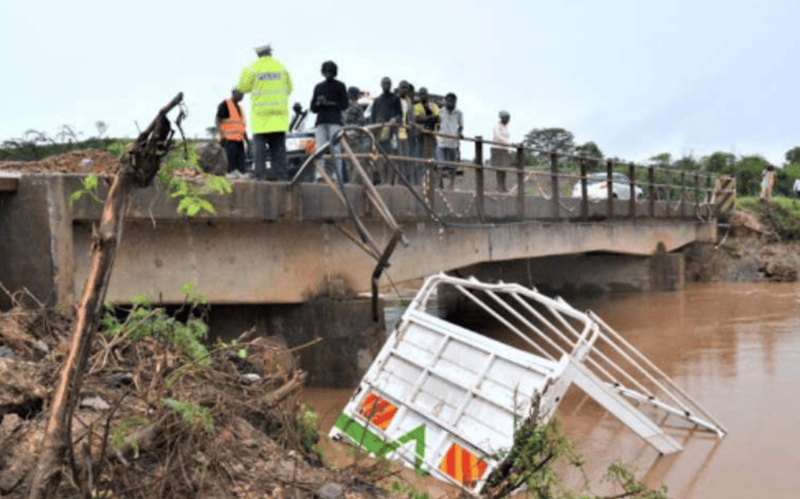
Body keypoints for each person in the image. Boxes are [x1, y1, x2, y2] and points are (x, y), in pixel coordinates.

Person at [236, 43, 293, 181]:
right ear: (270, 52)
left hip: (261, 118)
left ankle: (260, 178)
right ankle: (282, 179)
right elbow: (289, 89)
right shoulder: (281, 67)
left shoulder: (251, 68)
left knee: (259, 153)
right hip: (279, 117)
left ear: (258, 54)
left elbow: (242, 88)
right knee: (279, 152)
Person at [310, 60, 349, 183]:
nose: (328, 74)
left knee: (336, 150)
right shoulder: (318, 87)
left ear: (334, 72)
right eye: (326, 71)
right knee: (320, 149)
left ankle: (337, 177)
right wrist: (319, 103)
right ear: (323, 72)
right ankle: (320, 175)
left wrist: (330, 103)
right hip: (321, 122)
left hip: (335, 121)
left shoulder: (340, 86)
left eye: (330, 71)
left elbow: (344, 105)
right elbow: (312, 108)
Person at [370, 77, 402, 183]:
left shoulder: (395, 98)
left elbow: (400, 115)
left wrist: (395, 119)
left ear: (391, 85)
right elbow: (373, 119)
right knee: (380, 158)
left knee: (391, 157)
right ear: (381, 85)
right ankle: (383, 180)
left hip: (392, 133)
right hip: (380, 134)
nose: (386, 85)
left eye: (388, 83)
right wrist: (376, 125)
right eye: (384, 83)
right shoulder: (377, 100)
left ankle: (389, 181)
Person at [215, 89, 249, 175]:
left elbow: (242, 126)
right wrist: (222, 135)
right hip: (228, 141)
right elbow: (218, 120)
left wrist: (247, 141)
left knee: (241, 169)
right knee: (230, 168)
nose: (242, 97)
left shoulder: (240, 108)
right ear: (234, 93)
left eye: (243, 95)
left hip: (239, 142)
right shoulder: (225, 104)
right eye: (240, 94)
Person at [413, 87, 440, 184]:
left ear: (427, 94)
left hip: (432, 137)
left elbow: (437, 118)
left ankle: (433, 183)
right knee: (420, 161)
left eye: (423, 94)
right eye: (420, 94)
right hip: (420, 137)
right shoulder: (417, 106)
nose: (422, 96)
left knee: (433, 161)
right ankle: (421, 182)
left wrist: (425, 119)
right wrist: (429, 118)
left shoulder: (433, 106)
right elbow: (416, 119)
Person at [437, 93, 463, 189]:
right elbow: (437, 123)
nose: (450, 103)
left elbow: (460, 126)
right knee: (440, 165)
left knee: (453, 166)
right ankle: (439, 186)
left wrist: (459, 133)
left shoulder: (459, 113)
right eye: (448, 101)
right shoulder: (440, 112)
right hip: (441, 142)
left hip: (453, 143)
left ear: (455, 102)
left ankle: (451, 186)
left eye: (452, 101)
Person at [397, 80, 416, 183]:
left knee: (406, 157)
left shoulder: (409, 101)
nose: (404, 89)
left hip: (406, 133)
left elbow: (410, 117)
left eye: (406, 88)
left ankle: (406, 180)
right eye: (403, 87)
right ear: (399, 88)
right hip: (396, 132)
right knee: (397, 157)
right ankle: (398, 181)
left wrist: (412, 126)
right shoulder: (395, 99)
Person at [491, 110, 513, 192]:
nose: (507, 121)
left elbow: (508, 136)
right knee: (499, 168)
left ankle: (504, 186)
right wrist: (507, 143)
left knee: (504, 168)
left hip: (505, 149)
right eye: (506, 119)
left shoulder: (506, 126)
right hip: (498, 148)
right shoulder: (497, 125)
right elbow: (498, 136)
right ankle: (499, 186)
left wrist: (509, 146)